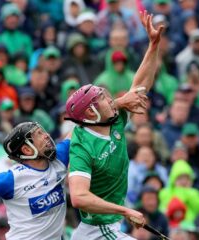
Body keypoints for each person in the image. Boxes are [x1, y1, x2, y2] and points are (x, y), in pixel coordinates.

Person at [66, 11, 163, 240]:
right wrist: (125, 210)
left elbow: (140, 86)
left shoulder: (114, 117)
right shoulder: (82, 146)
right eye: (102, 98)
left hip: (109, 227)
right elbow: (79, 197)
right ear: (91, 112)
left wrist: (153, 44)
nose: (110, 99)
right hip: (96, 231)